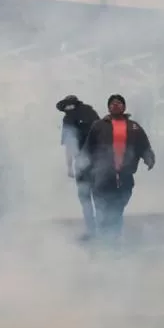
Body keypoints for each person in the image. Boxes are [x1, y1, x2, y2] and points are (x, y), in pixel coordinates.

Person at [79, 94, 155, 242]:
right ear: (108, 107)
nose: (115, 105)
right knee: (103, 208)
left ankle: (114, 237)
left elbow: (144, 146)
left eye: (119, 103)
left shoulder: (133, 127)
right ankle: (105, 241)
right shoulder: (99, 126)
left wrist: (149, 158)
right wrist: (83, 168)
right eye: (112, 103)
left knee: (117, 208)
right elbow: (88, 149)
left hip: (125, 176)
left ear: (124, 107)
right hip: (102, 175)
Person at [57, 94, 100, 239]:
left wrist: (69, 166)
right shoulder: (91, 113)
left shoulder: (68, 118)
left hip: (86, 162)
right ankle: (103, 228)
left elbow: (69, 145)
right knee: (96, 195)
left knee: (86, 196)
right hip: (97, 161)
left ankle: (93, 229)